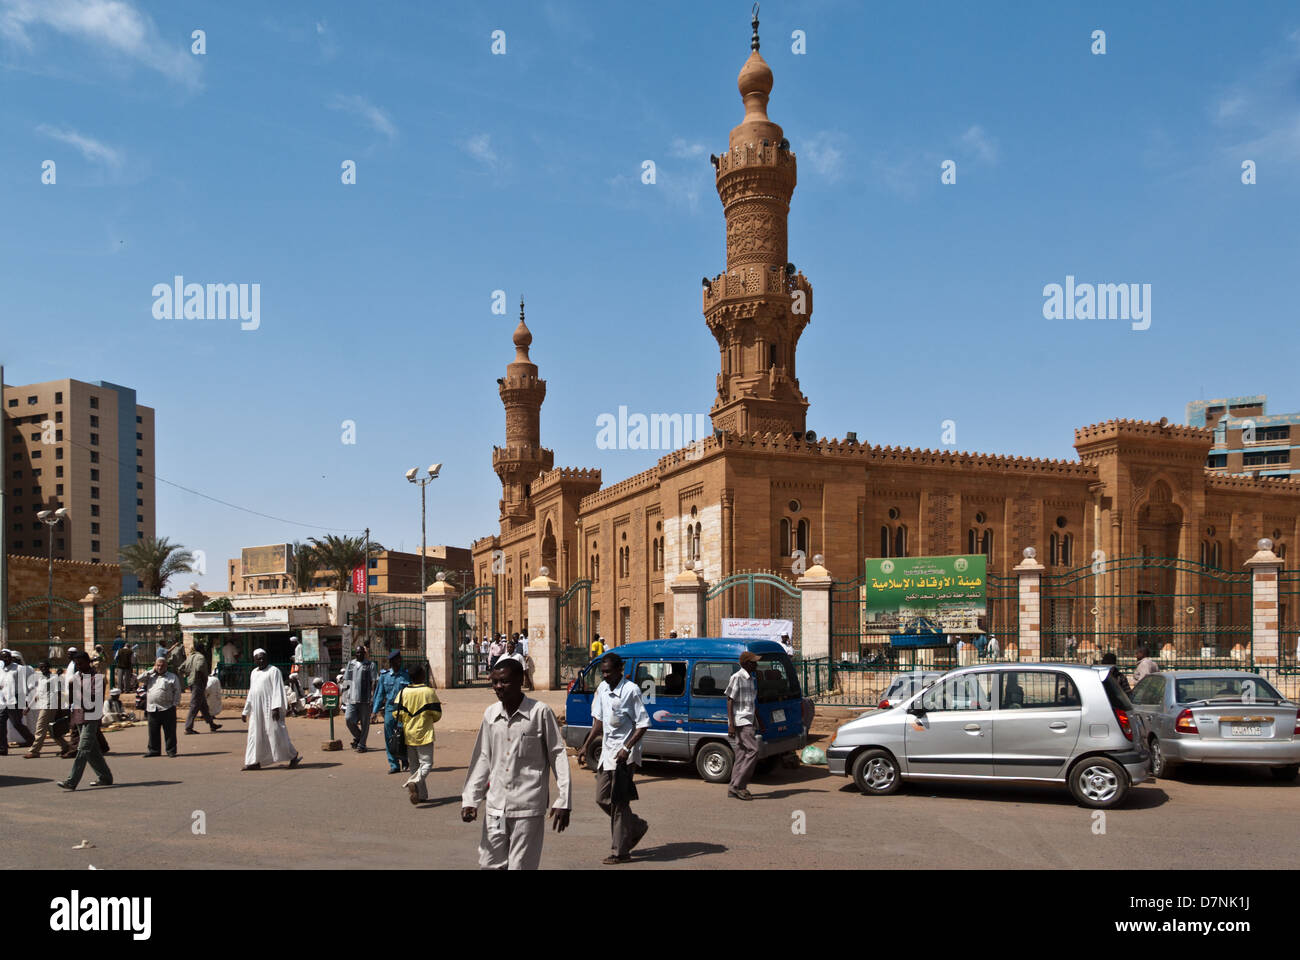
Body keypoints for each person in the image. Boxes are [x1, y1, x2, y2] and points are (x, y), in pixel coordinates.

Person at [462, 658, 571, 870]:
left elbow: (557, 754)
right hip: (496, 808)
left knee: (520, 866)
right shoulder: (491, 714)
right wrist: (470, 799)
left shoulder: (540, 713)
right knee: (490, 863)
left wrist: (564, 799)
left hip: (527, 809)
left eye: (504, 682)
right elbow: (483, 758)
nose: (498, 687)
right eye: (494, 682)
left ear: (520, 680)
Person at [578, 652, 650, 865]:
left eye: (609, 672)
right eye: (603, 672)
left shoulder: (631, 690)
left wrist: (627, 748)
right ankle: (635, 826)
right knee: (602, 798)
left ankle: (621, 852)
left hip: (624, 757)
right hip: (607, 754)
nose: (605, 676)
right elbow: (598, 723)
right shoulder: (602, 689)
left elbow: (642, 724)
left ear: (621, 670)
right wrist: (585, 745)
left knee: (619, 803)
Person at [57, 650, 112, 790]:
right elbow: (72, 700)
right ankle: (105, 777)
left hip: (91, 717)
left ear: (88, 662)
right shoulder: (77, 677)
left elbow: (94, 698)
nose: (79, 667)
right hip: (79, 717)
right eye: (77, 665)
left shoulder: (97, 678)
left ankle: (71, 781)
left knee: (82, 749)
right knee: (92, 752)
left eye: (81, 664)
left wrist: (76, 690)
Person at [241, 648, 301, 770]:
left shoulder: (274, 671)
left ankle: (293, 755)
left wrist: (276, 707)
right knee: (255, 734)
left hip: (270, 708)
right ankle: (254, 761)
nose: (261, 660)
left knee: (276, 732)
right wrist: (245, 711)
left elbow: (277, 690)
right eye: (259, 659)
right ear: (254, 660)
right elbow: (252, 693)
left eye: (263, 658)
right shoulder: (254, 673)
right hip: (256, 710)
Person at [394, 664, 442, 804]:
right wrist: (427, 718)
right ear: (422, 676)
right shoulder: (428, 692)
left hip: (408, 734)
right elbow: (437, 714)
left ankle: (422, 795)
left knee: (414, 766)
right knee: (426, 763)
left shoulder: (403, 692)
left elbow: (396, 713)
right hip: (424, 733)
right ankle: (413, 782)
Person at [725, 651, 765, 801]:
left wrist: (759, 721)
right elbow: (729, 700)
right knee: (754, 750)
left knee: (741, 754)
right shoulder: (737, 677)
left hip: (749, 719)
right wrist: (731, 724)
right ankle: (739, 786)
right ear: (747, 664)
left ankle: (732, 787)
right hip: (741, 721)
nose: (757, 665)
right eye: (754, 662)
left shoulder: (750, 679)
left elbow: (752, 703)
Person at [371, 651, 411, 774]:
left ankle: (404, 760)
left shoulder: (406, 675)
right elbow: (379, 694)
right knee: (389, 737)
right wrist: (375, 711)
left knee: (402, 736)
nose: (397, 662)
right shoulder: (385, 676)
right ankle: (394, 764)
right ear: (391, 662)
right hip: (389, 708)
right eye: (395, 661)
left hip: (403, 709)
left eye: (399, 660)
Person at [24, 659, 71, 758]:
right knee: (52, 729)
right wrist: (29, 706)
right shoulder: (41, 679)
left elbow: (59, 693)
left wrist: (60, 708)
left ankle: (34, 751)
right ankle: (66, 746)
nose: (43, 669)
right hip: (43, 705)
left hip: (49, 706)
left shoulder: (54, 678)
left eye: (45, 666)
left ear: (49, 667)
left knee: (40, 728)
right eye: (41, 667)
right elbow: (37, 694)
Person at [140, 655, 181, 758]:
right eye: (158, 665)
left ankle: (171, 750)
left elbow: (177, 691)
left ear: (166, 666)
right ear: (155, 666)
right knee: (153, 731)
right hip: (152, 708)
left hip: (167, 708)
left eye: (162, 665)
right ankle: (154, 750)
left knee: (169, 731)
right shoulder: (150, 676)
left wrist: (174, 704)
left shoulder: (172, 677)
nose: (159, 667)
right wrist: (150, 671)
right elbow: (138, 678)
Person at [182, 641, 222, 735]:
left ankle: (212, 724)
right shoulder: (200, 657)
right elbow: (199, 668)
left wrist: (188, 675)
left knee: (203, 705)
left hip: (192, 683)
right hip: (198, 683)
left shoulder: (190, 657)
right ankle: (188, 728)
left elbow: (181, 667)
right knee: (194, 706)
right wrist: (202, 676)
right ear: (201, 649)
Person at [0, 649, 36, 753]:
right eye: (3, 657)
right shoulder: (1, 669)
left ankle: (31, 739)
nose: (5, 659)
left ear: (11, 658)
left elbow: (23, 686)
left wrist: (24, 701)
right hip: (3, 700)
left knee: (16, 723)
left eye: (7, 657)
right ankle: (3, 748)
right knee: (1, 723)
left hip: (15, 700)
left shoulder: (19, 669)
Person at [342, 646, 377, 752]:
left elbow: (374, 681)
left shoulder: (370, 665)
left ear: (364, 653)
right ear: (355, 654)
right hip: (352, 698)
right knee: (348, 719)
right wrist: (343, 698)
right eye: (357, 653)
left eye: (361, 653)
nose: (359, 654)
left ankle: (362, 744)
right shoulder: (351, 664)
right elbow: (346, 681)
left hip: (365, 698)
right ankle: (359, 737)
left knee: (365, 723)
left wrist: (373, 697)